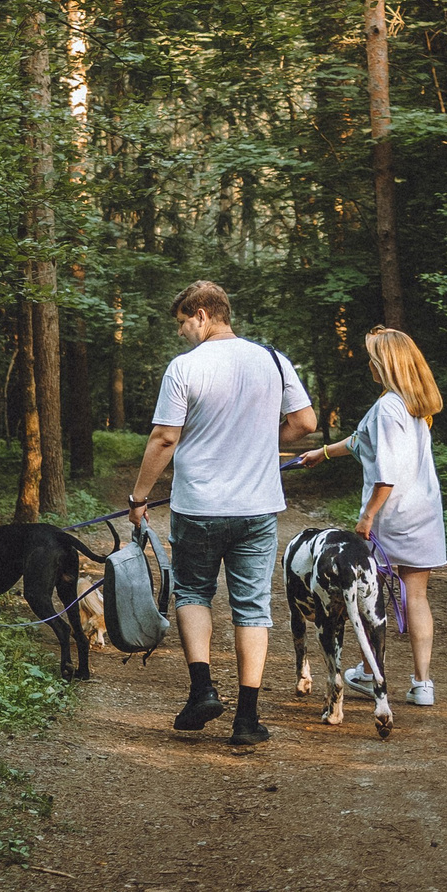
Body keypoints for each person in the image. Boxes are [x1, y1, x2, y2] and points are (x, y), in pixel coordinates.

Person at [127, 281, 316, 747]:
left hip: (199, 508)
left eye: (183, 324)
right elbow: (305, 424)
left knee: (193, 592)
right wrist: (256, 441)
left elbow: (164, 438)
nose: (182, 335)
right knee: (252, 607)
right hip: (257, 509)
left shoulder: (185, 368)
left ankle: (202, 692)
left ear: (203, 314)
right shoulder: (273, 360)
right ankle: (247, 721)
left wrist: (138, 498)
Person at [296, 326, 446, 706]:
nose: (369, 364)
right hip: (425, 513)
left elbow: (385, 475)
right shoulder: (415, 404)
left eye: (374, 358)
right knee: (418, 595)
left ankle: (367, 673)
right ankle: (422, 684)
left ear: (388, 363)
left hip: (390, 516)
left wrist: (366, 519)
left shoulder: (386, 407)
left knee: (367, 596)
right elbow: (362, 441)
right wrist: (323, 452)